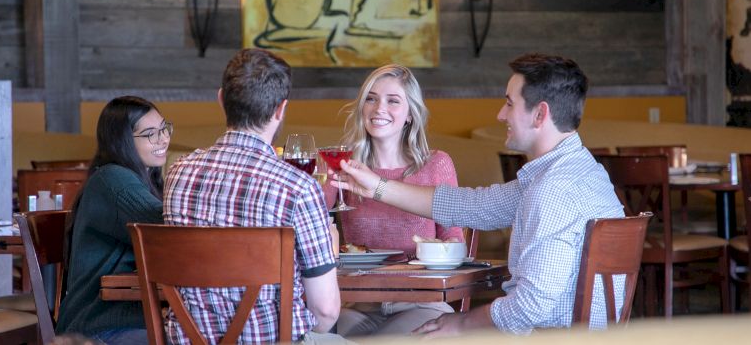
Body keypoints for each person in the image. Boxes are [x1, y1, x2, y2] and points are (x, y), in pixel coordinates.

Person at [334, 53, 625, 336]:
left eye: (509, 104)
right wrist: (378, 187)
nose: (501, 115)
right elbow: (475, 207)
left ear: (540, 114)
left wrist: (460, 325)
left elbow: (530, 306)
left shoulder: (553, 190)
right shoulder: (582, 172)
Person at [163, 48, 344, 344]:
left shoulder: (177, 173)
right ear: (280, 109)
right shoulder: (297, 187)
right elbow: (325, 312)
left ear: (221, 99)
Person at [324, 64, 463, 336]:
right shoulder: (343, 166)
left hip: (423, 304)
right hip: (358, 304)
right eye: (371, 99)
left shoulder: (436, 164)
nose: (379, 109)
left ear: (410, 113)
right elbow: (310, 225)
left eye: (393, 101)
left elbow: (454, 242)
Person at [57, 96, 170, 344]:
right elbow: (164, 230)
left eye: (164, 128)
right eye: (150, 134)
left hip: (131, 318)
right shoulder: (112, 179)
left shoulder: (145, 181)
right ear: (124, 142)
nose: (163, 139)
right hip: (98, 324)